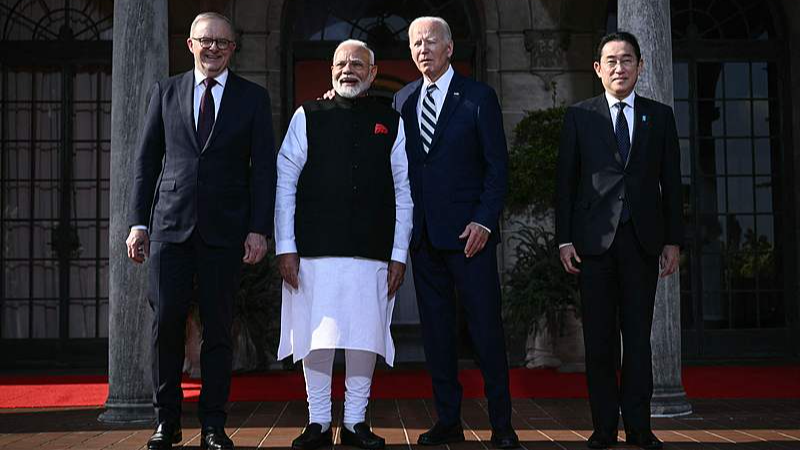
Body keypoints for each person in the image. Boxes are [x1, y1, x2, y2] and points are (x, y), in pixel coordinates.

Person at [125, 12, 275, 450]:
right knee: (166, 325)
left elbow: (263, 170)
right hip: (169, 228)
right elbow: (146, 162)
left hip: (226, 232)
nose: (213, 48)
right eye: (205, 41)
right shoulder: (165, 91)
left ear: (233, 48)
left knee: (218, 329)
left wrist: (258, 229)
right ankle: (166, 422)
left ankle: (213, 424)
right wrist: (138, 223)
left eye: (222, 43)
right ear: (190, 44)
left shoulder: (253, 98)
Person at [275, 39, 413, 450]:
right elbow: (285, 183)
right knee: (314, 337)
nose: (347, 69)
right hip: (312, 251)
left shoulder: (391, 120)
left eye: (357, 64)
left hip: (372, 250)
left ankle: (355, 422)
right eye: (340, 63)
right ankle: (317, 420)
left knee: (362, 336)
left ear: (372, 73)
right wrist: (285, 245)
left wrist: (399, 254)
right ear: (330, 70)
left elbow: (403, 190)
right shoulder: (307, 115)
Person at [392, 16, 519, 449]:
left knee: (485, 334)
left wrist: (484, 221)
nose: (422, 49)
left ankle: (502, 427)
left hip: (471, 240)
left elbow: (497, 169)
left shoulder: (479, 97)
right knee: (438, 337)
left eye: (430, 41)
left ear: (449, 48)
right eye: (414, 43)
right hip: (425, 240)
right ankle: (449, 420)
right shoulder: (402, 100)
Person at [555, 31, 682, 450]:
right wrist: (564, 240)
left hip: (643, 243)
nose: (619, 68)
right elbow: (566, 183)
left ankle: (640, 428)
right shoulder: (580, 115)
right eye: (610, 60)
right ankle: (604, 428)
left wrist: (672, 241)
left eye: (627, 60)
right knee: (600, 341)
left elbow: (672, 184)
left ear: (640, 66)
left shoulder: (659, 116)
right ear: (597, 69)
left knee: (638, 340)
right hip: (593, 245)